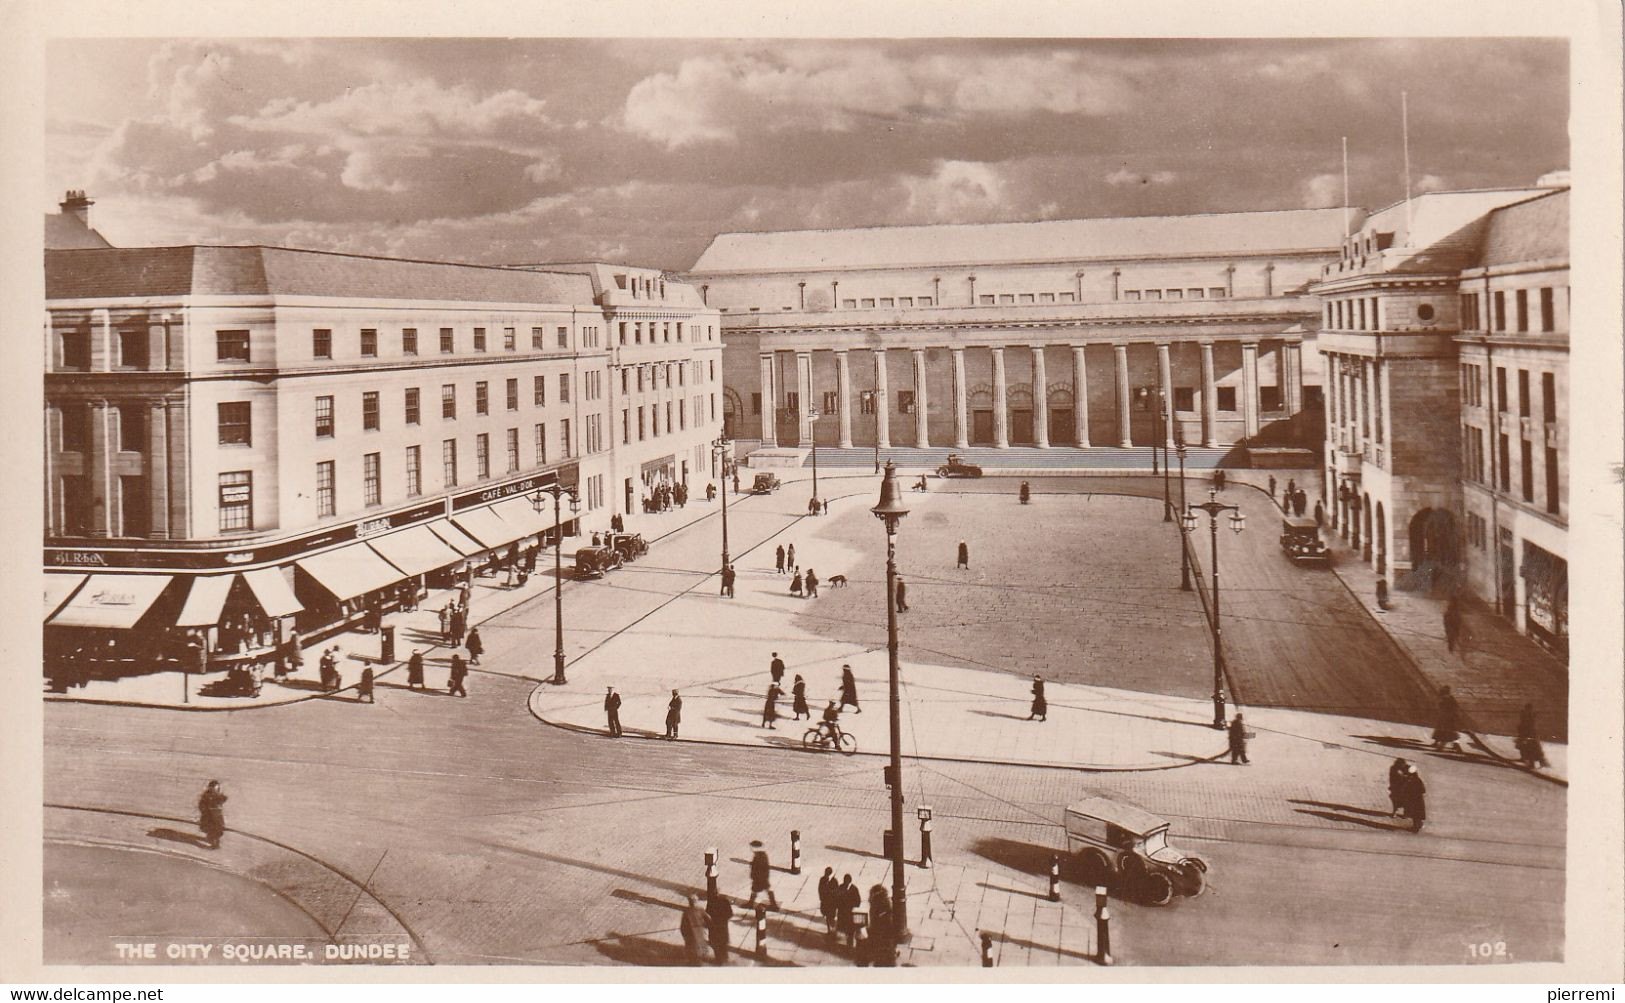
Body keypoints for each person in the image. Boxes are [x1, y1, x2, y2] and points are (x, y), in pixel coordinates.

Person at [867, 884, 895, 967]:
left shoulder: (879, 907)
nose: (869, 899)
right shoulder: (883, 905)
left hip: (881, 933)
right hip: (882, 934)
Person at [1516, 702, 1549, 768]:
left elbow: (1528, 725)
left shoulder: (1529, 715)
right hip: (1526, 734)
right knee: (1524, 747)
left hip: (1529, 734)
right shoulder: (1527, 715)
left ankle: (1533, 763)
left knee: (1530, 748)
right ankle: (1528, 760)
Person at [748, 840, 779, 909]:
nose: (750, 849)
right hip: (762, 877)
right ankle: (774, 905)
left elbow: (759, 868)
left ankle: (750, 904)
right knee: (766, 889)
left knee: (756, 890)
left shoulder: (759, 857)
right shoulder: (761, 855)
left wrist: (754, 876)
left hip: (760, 877)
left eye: (751, 847)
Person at [1431, 685, 1463, 752]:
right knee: (1450, 732)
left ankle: (1440, 747)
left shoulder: (1445, 699)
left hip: (1447, 718)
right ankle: (1456, 745)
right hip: (1448, 717)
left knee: (1446, 732)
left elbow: (1443, 708)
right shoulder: (1450, 698)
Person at [197, 780, 227, 849]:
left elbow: (222, 800)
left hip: (217, 817)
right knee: (210, 830)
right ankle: (212, 840)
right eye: (213, 788)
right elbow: (201, 804)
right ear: (210, 788)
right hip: (208, 816)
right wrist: (204, 810)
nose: (214, 790)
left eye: (216, 788)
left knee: (216, 831)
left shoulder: (218, 796)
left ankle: (215, 844)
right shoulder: (206, 795)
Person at [681, 894, 709, 966]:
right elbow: (708, 920)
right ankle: (698, 962)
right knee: (699, 950)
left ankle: (693, 962)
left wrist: (684, 935)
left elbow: (683, 926)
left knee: (692, 950)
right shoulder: (700, 910)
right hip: (699, 933)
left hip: (691, 934)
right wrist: (704, 925)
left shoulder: (686, 911)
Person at [706, 893, 733, 965]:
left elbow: (707, 913)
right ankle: (725, 957)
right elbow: (730, 914)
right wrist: (725, 919)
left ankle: (719, 959)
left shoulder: (711, 902)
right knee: (723, 942)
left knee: (715, 942)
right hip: (723, 926)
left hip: (714, 926)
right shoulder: (725, 901)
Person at [836, 874, 860, 949]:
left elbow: (858, 901)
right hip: (842, 913)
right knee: (844, 928)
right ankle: (847, 941)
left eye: (846, 881)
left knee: (850, 930)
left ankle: (849, 944)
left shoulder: (854, 889)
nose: (845, 883)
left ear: (849, 881)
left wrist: (851, 906)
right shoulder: (841, 887)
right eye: (844, 881)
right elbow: (837, 898)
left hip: (850, 913)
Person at [1401, 765, 1427, 833]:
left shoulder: (1411, 780)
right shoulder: (1418, 780)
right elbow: (1423, 790)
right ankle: (1418, 825)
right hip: (1418, 800)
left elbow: (1406, 790)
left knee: (1415, 815)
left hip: (1414, 800)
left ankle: (1416, 827)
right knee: (1417, 815)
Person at [817, 867, 840, 939]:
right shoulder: (822, 879)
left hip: (832, 904)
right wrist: (822, 899)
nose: (825, 875)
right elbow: (820, 889)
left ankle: (832, 931)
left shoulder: (834, 881)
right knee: (827, 917)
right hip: (825, 902)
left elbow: (836, 892)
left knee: (831, 917)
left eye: (827, 874)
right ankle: (829, 930)